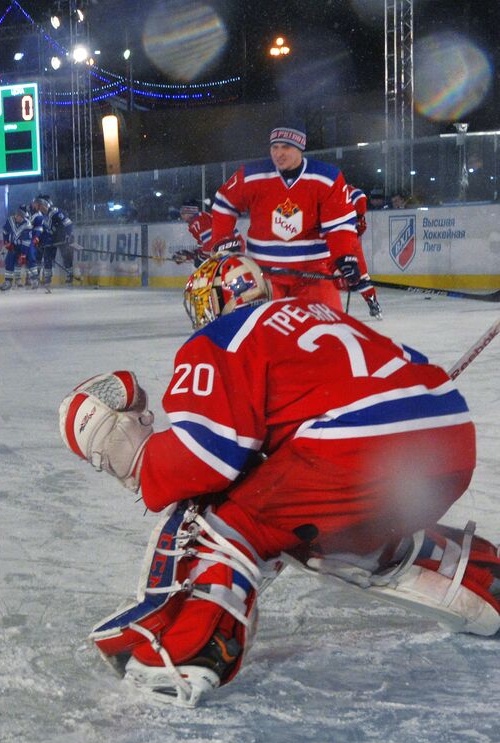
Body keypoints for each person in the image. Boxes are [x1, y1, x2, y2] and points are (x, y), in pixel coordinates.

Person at [58, 253, 499, 707]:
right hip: (447, 441)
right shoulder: (321, 312)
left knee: (226, 517)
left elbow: (206, 457)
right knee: (310, 529)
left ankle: (182, 656)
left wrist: (136, 460)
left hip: (359, 447)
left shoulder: (222, 336)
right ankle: (480, 581)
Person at [209, 126, 361, 310]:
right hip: (263, 275)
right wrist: (223, 240)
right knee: (264, 334)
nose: (278, 154)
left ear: (300, 148)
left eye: (286, 147)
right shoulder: (251, 175)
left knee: (327, 329)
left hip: (312, 273)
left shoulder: (327, 177)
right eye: (275, 147)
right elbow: (224, 204)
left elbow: (339, 226)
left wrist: (344, 257)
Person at [344, 184, 382, 319]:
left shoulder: (346, 191)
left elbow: (359, 197)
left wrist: (357, 219)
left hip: (347, 240)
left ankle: (372, 302)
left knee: (360, 274)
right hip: (329, 240)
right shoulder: (323, 190)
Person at [34, 196, 74, 290]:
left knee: (66, 256)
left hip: (62, 237)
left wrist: (68, 235)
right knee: (47, 257)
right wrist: (40, 240)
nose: (37, 209)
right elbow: (45, 230)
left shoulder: (55, 212)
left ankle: (70, 275)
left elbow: (68, 223)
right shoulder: (43, 216)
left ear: (43, 205)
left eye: (38, 206)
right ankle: (47, 279)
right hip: (51, 239)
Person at [0, 205, 36, 291]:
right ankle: (8, 282)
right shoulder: (10, 220)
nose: (16, 217)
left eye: (18, 216)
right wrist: (6, 242)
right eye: (16, 215)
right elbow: (5, 231)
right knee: (9, 260)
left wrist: (23, 254)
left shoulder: (27, 224)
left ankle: (35, 279)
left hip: (25, 246)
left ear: (22, 217)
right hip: (14, 245)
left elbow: (27, 242)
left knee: (30, 259)